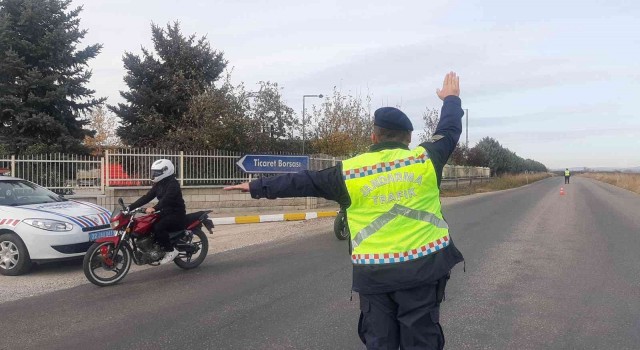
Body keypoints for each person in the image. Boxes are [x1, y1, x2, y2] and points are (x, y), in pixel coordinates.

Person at [225, 72, 465, 349]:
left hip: (374, 274)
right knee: (421, 339)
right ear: (408, 139)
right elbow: (449, 130)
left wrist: (256, 187)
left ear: (374, 136)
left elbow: (303, 181)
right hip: (423, 269)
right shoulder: (425, 159)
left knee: (380, 341)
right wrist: (451, 99)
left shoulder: (349, 172)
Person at [129, 159, 186, 265]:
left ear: (166, 171)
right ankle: (153, 248)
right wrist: (130, 207)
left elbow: (167, 199)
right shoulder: (159, 184)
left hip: (176, 213)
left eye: (157, 172)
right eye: (154, 172)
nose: (154, 175)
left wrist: (154, 208)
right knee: (147, 224)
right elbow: (147, 197)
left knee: (158, 227)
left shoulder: (173, 184)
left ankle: (170, 251)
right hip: (164, 212)